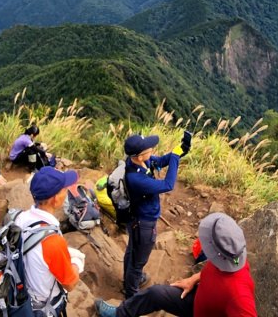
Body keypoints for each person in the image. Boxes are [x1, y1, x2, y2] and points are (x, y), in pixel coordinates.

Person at [95, 212, 256, 317]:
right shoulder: (232, 257)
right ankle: (119, 313)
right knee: (155, 293)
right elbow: (217, 271)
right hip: (196, 301)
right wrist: (194, 278)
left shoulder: (240, 296)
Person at [15, 166, 86, 316]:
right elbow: (70, 284)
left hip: (24, 293)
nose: (66, 192)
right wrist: (77, 263)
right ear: (55, 199)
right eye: (64, 190)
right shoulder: (52, 241)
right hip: (44, 307)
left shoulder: (21, 218)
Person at [121, 133, 182, 298]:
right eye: (149, 149)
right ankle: (131, 296)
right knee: (138, 261)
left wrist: (179, 151)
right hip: (143, 222)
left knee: (132, 250)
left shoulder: (138, 161)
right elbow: (168, 184)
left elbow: (160, 161)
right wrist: (175, 158)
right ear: (139, 156)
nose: (152, 150)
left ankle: (128, 282)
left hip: (136, 217)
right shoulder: (135, 178)